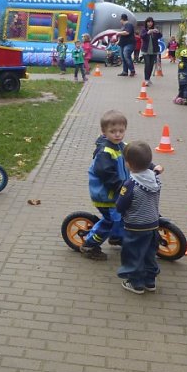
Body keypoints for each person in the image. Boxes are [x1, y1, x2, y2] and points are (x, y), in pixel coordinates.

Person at [80, 111, 130, 261]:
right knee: (110, 221)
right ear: (104, 132)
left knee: (123, 216)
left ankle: (116, 237)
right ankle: (89, 245)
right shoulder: (104, 152)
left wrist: (150, 167)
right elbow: (106, 174)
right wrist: (121, 187)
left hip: (119, 191)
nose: (117, 135)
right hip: (106, 195)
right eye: (112, 131)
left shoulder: (123, 146)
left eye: (121, 131)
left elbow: (136, 157)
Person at [115, 141, 162, 294]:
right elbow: (154, 171)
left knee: (134, 254)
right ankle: (150, 281)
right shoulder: (155, 180)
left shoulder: (130, 185)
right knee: (149, 253)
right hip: (153, 224)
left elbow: (121, 205)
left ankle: (136, 283)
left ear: (128, 164)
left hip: (135, 226)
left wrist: (121, 210)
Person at [140, 17, 161, 85]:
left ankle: (148, 79)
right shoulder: (144, 30)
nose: (150, 23)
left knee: (151, 65)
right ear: (146, 23)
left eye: (151, 22)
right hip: (146, 50)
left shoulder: (154, 30)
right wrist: (148, 32)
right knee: (147, 64)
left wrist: (158, 32)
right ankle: (146, 79)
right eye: (148, 22)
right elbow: (142, 36)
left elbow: (160, 36)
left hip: (154, 50)